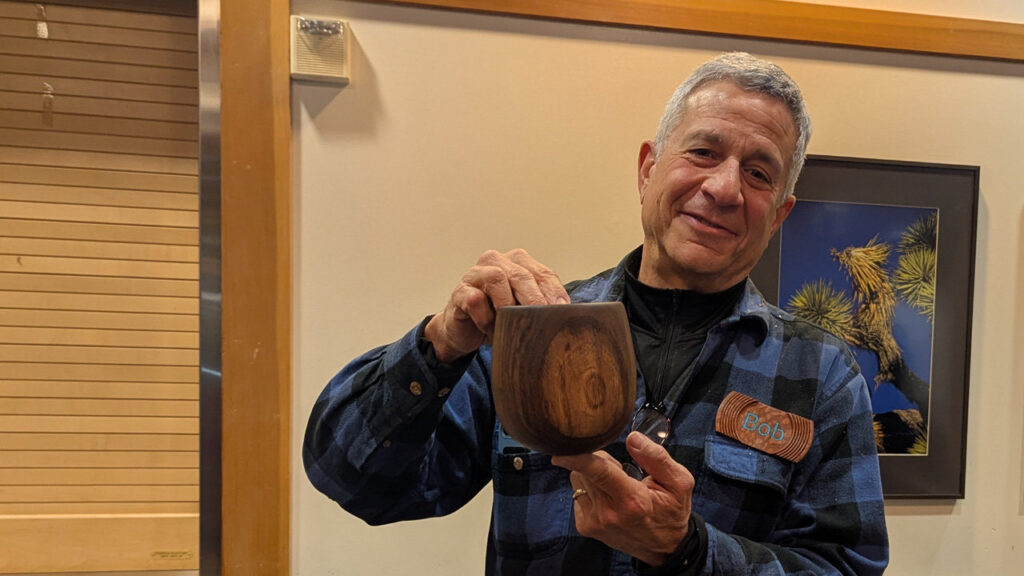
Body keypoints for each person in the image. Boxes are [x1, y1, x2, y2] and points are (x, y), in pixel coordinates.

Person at [304, 52, 889, 575]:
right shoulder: (528, 331)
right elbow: (351, 479)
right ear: (646, 170)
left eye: (759, 173)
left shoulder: (824, 373)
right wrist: (439, 346)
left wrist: (691, 552)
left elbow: (846, 566)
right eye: (704, 152)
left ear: (779, 214)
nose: (725, 187)